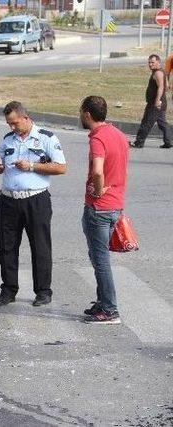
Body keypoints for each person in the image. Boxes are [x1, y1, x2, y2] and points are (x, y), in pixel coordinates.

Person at [0, 101, 66, 307]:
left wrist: (32, 166)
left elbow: (60, 167)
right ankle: (8, 290)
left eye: (14, 123)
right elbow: (1, 166)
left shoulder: (46, 138)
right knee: (7, 247)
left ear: (25, 117)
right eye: (8, 124)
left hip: (35, 199)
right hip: (9, 200)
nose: (11, 127)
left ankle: (43, 291)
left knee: (40, 246)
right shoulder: (8, 140)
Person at [80, 96, 129, 324]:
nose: (80, 116)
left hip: (99, 208)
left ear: (87, 114)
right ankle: (103, 301)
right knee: (98, 256)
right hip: (115, 205)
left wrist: (98, 191)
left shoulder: (98, 138)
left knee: (100, 260)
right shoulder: (118, 134)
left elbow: (98, 171)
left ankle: (110, 310)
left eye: (81, 112)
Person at [132, 54, 172, 149]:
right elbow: (165, 86)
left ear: (158, 62)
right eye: (149, 62)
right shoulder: (161, 72)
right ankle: (168, 142)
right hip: (161, 103)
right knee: (162, 123)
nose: (150, 64)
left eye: (152, 62)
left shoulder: (158, 73)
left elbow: (161, 87)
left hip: (155, 104)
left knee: (146, 122)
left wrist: (157, 100)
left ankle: (139, 142)